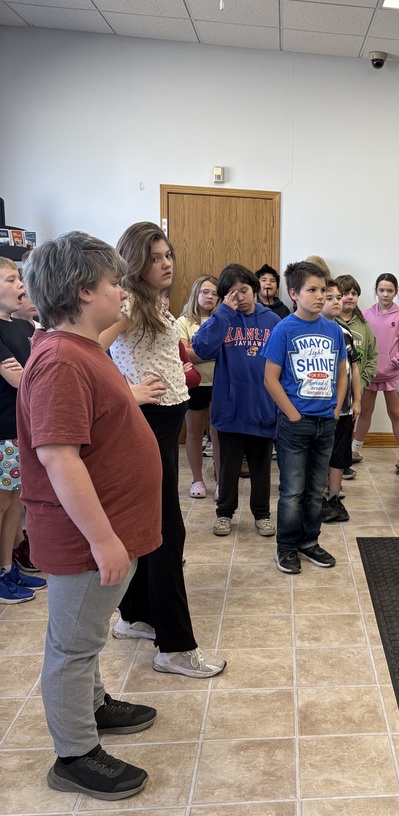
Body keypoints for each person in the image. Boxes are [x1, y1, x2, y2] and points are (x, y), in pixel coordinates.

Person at [18, 232, 163, 799]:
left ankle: (94, 704)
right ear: (83, 291)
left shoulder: (82, 347)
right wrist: (104, 541)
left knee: (87, 635)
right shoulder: (58, 362)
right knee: (72, 645)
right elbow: (60, 460)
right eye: (113, 283)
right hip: (85, 539)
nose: (122, 291)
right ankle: (74, 754)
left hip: (107, 530)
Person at [102, 221, 226, 679]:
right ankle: (174, 648)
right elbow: (88, 351)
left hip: (163, 423)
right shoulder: (130, 303)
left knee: (151, 528)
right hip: (148, 425)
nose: (166, 263)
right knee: (166, 533)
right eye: (154, 257)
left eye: (168, 254)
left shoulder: (152, 303)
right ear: (136, 261)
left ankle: (135, 617)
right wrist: (126, 390)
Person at [262, 261, 347, 575]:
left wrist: (337, 407)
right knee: (293, 490)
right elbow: (270, 378)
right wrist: (293, 415)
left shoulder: (333, 329)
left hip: (326, 422)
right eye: (312, 290)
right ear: (294, 293)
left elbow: (341, 371)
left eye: (323, 289)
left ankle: (309, 541)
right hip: (296, 424)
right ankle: (286, 547)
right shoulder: (284, 329)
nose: (320, 296)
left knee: (315, 490)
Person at [192, 263, 280, 538]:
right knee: (227, 466)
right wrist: (223, 313)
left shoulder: (272, 322)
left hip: (262, 407)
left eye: (244, 291)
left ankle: (262, 514)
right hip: (230, 407)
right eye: (232, 293)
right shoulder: (222, 319)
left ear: (254, 290)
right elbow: (201, 348)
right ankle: (224, 513)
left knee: (261, 467)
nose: (240, 297)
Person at [0, 258, 48, 604]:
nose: (20, 285)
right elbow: (20, 379)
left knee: (15, 504)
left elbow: (29, 373)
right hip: (2, 432)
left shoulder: (20, 327)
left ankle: (7, 565)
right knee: (2, 503)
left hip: (20, 427)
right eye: (11, 279)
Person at [353, 273, 399, 474]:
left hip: (391, 375)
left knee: (396, 414)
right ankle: (354, 451)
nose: (385, 294)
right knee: (364, 412)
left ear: (396, 292)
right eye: (381, 290)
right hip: (369, 374)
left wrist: (394, 363)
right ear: (376, 291)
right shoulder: (366, 315)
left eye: (389, 290)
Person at [320, 279, 360, 523]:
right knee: (320, 454)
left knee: (338, 454)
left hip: (343, 408)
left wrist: (356, 401)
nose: (337, 302)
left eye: (338, 297)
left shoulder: (345, 333)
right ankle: (317, 498)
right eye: (330, 298)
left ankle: (334, 495)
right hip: (319, 407)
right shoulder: (311, 329)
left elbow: (354, 368)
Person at [176, 275, 220, 499]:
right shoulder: (183, 322)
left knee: (218, 433)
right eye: (205, 292)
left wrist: (197, 352)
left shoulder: (222, 320)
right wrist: (212, 352)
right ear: (196, 293)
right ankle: (197, 480)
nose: (210, 296)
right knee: (194, 433)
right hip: (195, 385)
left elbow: (197, 353)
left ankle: (221, 481)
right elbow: (184, 354)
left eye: (214, 293)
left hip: (219, 383)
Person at [337, 274, 378, 467]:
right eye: (345, 293)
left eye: (354, 293)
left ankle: (343, 467)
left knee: (347, 430)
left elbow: (372, 356)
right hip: (334, 391)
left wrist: (361, 382)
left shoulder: (364, 325)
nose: (350, 297)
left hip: (355, 390)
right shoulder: (331, 322)